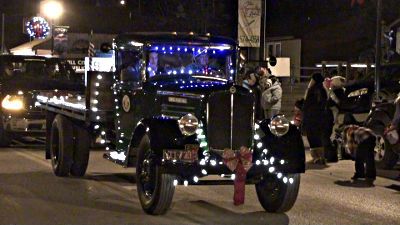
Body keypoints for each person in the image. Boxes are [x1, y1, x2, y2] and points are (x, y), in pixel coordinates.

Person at [302, 73, 335, 164]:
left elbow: (307, 105)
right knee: (318, 137)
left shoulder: (311, 90)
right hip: (321, 118)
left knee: (312, 137)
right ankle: (321, 156)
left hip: (311, 118)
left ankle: (316, 156)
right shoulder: (324, 90)